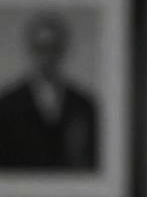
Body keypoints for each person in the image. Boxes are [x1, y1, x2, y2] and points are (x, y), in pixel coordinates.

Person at [0, 11, 99, 170]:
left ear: (62, 50)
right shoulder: (7, 104)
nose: (47, 56)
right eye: (41, 48)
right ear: (31, 50)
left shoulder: (83, 104)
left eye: (53, 48)